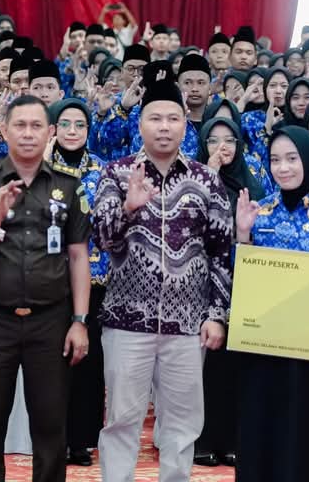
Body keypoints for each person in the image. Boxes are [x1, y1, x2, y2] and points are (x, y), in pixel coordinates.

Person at [92, 61, 232, 482]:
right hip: (126, 322)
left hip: (187, 325)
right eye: (155, 118)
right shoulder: (117, 174)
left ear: (185, 126)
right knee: (121, 420)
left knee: (182, 425)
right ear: (141, 124)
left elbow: (221, 252)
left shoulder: (206, 181)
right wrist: (128, 207)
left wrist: (216, 314)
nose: (165, 127)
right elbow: (102, 238)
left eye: (173, 118)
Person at [0, 94, 92, 482]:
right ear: (4, 130)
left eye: (36, 126)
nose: (28, 134)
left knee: (50, 427)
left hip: (50, 322)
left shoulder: (69, 185)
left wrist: (80, 321)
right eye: (20, 125)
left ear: (50, 132)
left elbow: (78, 256)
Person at [234, 126, 309, 481]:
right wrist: (243, 234)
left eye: (291, 158)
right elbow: (243, 279)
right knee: (257, 432)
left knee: (302, 435)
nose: (282, 168)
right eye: (275, 160)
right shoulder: (260, 212)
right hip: (261, 347)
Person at [191, 115, 266, 467]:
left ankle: (234, 439)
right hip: (201, 283)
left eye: (229, 140)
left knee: (236, 365)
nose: (222, 147)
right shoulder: (192, 180)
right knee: (204, 367)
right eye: (213, 140)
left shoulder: (252, 184)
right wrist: (209, 176)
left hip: (244, 282)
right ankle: (203, 439)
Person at [44, 99, 107, 467]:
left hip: (95, 278)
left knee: (88, 361)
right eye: (65, 124)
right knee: (51, 361)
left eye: (79, 125)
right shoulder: (41, 168)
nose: (72, 131)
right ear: (53, 128)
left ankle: (82, 440)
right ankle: (54, 437)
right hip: (50, 278)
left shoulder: (102, 169)